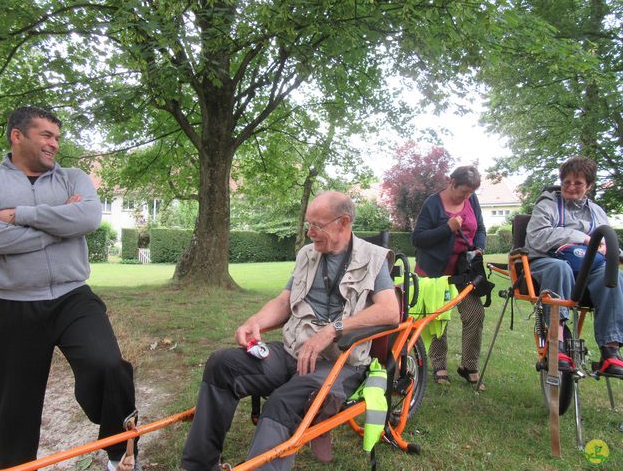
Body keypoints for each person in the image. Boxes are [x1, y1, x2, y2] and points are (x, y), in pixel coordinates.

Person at [180, 191, 399, 471]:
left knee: (283, 402)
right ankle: (199, 466)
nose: (310, 233)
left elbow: (390, 311)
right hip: (291, 350)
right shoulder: (307, 255)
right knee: (222, 365)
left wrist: (334, 329)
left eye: (317, 226)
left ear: (343, 223)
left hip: (339, 363)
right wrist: (255, 321)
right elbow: (284, 300)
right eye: (308, 224)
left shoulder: (374, 258)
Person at [0, 106, 139, 470]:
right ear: (17, 135)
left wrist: (19, 215)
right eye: (46, 135)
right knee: (12, 405)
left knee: (109, 366)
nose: (54, 144)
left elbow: (86, 218)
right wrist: (58, 230)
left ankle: (122, 454)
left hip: (72, 297)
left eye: (57, 137)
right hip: (11, 303)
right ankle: (15, 466)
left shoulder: (73, 178)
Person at [524, 156, 623, 376]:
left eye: (578, 183)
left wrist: (611, 250)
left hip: (587, 267)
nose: (571, 187)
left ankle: (610, 351)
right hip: (547, 260)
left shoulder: (597, 211)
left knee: (614, 275)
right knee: (560, 269)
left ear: (588, 186)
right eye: (566, 181)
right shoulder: (547, 205)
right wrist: (582, 238)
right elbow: (537, 238)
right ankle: (556, 342)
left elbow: (607, 243)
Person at [412, 166, 487, 389]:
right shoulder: (433, 204)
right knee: (438, 319)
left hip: (465, 270)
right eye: (463, 191)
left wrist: (480, 247)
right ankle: (438, 365)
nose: (467, 196)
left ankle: (469, 366)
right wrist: (448, 228)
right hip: (435, 271)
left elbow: (481, 228)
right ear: (451, 182)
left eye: (471, 192)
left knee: (475, 314)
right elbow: (418, 239)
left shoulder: (472, 201)